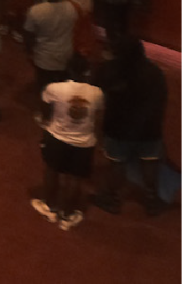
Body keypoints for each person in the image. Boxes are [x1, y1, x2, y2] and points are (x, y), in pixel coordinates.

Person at [94, 36, 166, 217]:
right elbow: (161, 99)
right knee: (150, 163)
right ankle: (152, 200)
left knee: (117, 164)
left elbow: (95, 87)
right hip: (150, 128)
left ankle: (110, 198)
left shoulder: (111, 70)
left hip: (118, 128)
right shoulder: (154, 72)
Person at [35, 55, 103, 229]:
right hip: (84, 142)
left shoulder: (54, 89)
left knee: (52, 171)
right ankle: (67, 214)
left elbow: (45, 112)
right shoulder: (97, 93)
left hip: (57, 137)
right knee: (75, 178)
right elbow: (98, 118)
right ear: (87, 72)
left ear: (69, 70)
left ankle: (49, 206)